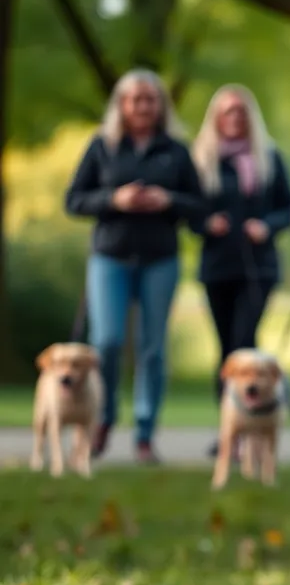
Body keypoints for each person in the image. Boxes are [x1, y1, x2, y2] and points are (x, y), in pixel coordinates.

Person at [64, 68, 206, 463]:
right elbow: (74, 200)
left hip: (160, 259)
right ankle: (103, 419)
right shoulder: (101, 146)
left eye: (150, 99)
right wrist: (114, 199)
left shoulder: (176, 151)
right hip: (110, 257)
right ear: (122, 105)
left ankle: (145, 431)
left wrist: (169, 201)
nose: (143, 106)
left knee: (152, 348)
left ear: (160, 105)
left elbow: (199, 206)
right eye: (135, 99)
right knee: (105, 342)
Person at [190, 85, 290, 457]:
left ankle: (254, 426)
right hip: (217, 267)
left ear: (249, 116)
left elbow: (289, 208)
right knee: (226, 352)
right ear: (216, 117)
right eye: (227, 111)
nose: (234, 117)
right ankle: (230, 430)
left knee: (243, 341)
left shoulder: (269, 157)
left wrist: (266, 225)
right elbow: (188, 210)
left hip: (258, 268)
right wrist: (206, 223)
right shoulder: (202, 159)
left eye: (239, 111)